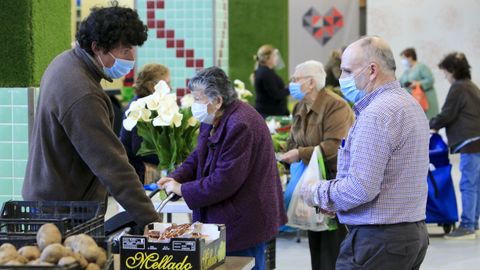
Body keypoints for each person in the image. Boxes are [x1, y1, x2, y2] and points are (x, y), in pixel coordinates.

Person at [22, 4, 160, 228]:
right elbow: (112, 164)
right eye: (124, 50)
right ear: (97, 47)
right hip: (62, 214)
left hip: (50, 201)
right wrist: (153, 222)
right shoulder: (83, 93)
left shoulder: (65, 62)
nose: (131, 56)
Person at [301, 36, 430, 269]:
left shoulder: (377, 114)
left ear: (372, 70)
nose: (342, 79)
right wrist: (337, 202)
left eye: (347, 71)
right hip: (409, 233)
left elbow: (361, 188)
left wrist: (316, 192)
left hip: (378, 240)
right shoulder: (409, 105)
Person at [158, 67, 287, 270]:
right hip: (229, 217)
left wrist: (181, 189)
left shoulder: (240, 124)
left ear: (217, 100)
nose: (194, 105)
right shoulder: (214, 117)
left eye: (197, 99)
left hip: (244, 221)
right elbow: (198, 155)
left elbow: (224, 181)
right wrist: (176, 177)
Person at [281, 60, 354, 270]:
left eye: (295, 80)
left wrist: (299, 153)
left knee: (332, 248)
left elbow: (334, 146)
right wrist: (289, 153)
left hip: (331, 183)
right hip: (310, 183)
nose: (292, 84)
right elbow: (294, 139)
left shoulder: (335, 105)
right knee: (316, 243)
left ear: (310, 82)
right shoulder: (300, 106)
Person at [430, 52, 480, 239]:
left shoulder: (458, 88)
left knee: (468, 184)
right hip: (477, 142)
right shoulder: (471, 86)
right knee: (475, 184)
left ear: (452, 70)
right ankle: (473, 224)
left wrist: (430, 126)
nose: (445, 77)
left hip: (470, 143)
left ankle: (467, 226)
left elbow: (447, 114)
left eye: (445, 73)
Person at [120, 63, 171, 184]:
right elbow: (141, 149)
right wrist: (169, 159)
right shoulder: (140, 107)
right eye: (167, 84)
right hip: (135, 173)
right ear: (151, 86)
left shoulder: (148, 104)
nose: (170, 88)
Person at [399, 47, 439, 119]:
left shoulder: (421, 67)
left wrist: (418, 83)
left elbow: (430, 80)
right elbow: (401, 82)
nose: (403, 61)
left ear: (410, 57)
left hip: (425, 99)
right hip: (414, 102)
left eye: (404, 58)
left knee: (428, 122)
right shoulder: (407, 71)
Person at [253, 44, 290, 118]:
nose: (277, 58)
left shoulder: (266, 71)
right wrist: (290, 89)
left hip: (272, 113)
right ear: (268, 58)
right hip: (269, 115)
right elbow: (275, 94)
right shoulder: (265, 73)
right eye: (274, 56)